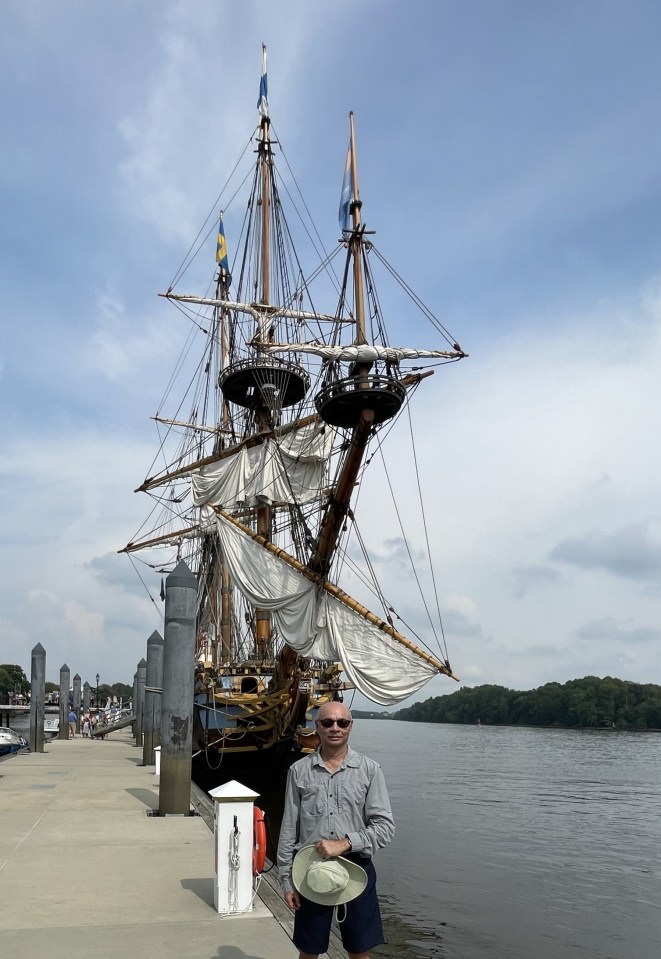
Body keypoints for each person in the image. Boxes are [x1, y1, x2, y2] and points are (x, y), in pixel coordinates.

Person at [277, 701, 395, 959]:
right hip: (310, 870)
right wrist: (287, 881)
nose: (335, 728)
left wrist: (345, 843)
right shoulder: (299, 771)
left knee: (359, 950)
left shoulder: (369, 770)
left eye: (342, 723)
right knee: (309, 950)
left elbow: (385, 828)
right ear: (316, 727)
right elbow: (289, 830)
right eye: (327, 722)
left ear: (351, 727)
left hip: (356, 870)